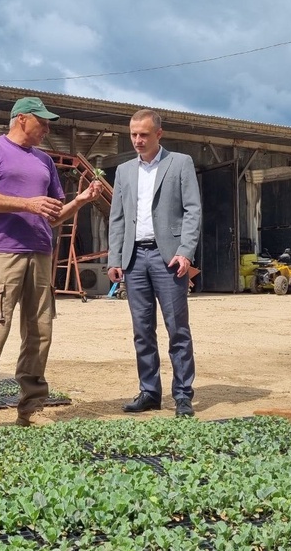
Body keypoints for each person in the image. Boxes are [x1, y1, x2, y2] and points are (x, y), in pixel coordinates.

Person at [0, 97, 101, 431]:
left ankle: (31, 408)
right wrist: (27, 203)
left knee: (40, 332)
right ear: (22, 119)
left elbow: (52, 216)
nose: (48, 128)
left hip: (40, 252)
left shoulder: (45, 162)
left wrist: (79, 201)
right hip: (2, 253)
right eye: (43, 121)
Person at [107, 109, 201, 418]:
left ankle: (183, 395)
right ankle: (149, 391)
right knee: (142, 331)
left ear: (158, 134)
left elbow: (192, 210)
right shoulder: (123, 171)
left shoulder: (180, 163)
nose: (137, 140)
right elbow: (118, 217)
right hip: (134, 260)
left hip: (170, 259)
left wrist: (186, 252)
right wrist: (115, 258)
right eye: (133, 134)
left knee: (177, 329)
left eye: (143, 134)